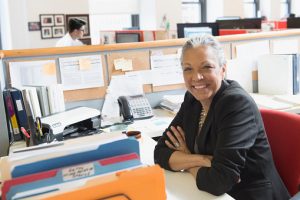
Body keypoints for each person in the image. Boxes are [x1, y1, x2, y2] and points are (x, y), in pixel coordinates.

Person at [154, 34, 290, 200]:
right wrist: (202, 160)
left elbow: (219, 181)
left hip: (248, 195)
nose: (196, 77)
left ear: (223, 69)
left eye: (206, 67)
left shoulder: (236, 103)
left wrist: (186, 161)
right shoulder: (193, 99)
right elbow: (160, 153)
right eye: (188, 69)